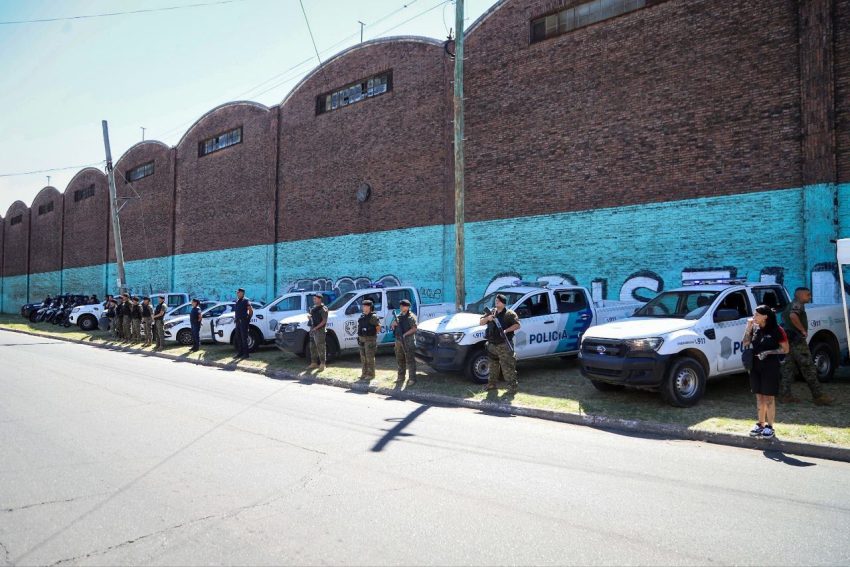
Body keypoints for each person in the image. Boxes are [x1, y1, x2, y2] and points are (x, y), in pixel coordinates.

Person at [779, 287, 833, 405]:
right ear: (800, 295)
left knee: (788, 368)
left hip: (789, 341)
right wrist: (802, 330)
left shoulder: (790, 305)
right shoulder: (797, 304)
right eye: (808, 295)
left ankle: (785, 395)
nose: (810, 297)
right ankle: (819, 396)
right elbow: (793, 316)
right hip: (797, 341)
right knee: (808, 368)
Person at [743, 305, 790, 439]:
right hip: (755, 366)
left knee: (769, 397)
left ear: (765, 316)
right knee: (759, 397)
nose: (754, 317)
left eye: (756, 315)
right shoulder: (755, 328)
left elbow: (785, 349)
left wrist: (768, 352)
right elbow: (745, 343)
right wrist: (748, 327)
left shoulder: (777, 330)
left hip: (770, 366)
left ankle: (770, 426)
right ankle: (760, 424)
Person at [480, 294, 521, 392]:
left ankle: (512, 387)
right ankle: (492, 384)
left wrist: (506, 331)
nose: (496, 302)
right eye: (496, 300)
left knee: (507, 366)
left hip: (504, 345)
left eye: (498, 301)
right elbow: (481, 322)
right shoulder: (491, 312)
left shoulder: (509, 314)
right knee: (492, 366)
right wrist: (488, 318)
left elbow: (517, 325)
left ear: (503, 303)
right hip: (492, 345)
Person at [391, 298, 418, 384]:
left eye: (403, 306)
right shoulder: (399, 316)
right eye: (401, 306)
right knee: (400, 359)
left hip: (408, 341)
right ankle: (401, 377)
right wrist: (393, 325)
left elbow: (414, 329)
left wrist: (405, 334)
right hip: (398, 340)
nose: (401, 307)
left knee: (410, 360)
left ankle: (412, 378)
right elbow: (392, 326)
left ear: (407, 307)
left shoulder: (411, 317)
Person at [357, 299, 381, 381]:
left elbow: (378, 327)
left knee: (369, 357)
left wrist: (372, 335)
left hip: (370, 340)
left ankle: (371, 374)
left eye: (365, 306)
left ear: (369, 307)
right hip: (362, 339)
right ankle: (364, 373)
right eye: (363, 306)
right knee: (363, 357)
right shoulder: (362, 316)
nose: (363, 307)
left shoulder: (373, 317)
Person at [307, 293, 328, 372]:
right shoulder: (314, 308)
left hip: (320, 330)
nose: (314, 300)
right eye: (313, 299)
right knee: (312, 346)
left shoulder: (323, 309)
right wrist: (310, 317)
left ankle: (322, 363)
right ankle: (314, 362)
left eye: (315, 299)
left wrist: (316, 328)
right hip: (313, 329)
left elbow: (324, 321)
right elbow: (312, 316)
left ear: (320, 299)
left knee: (321, 347)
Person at [233, 288, 253, 359]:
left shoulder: (246, 300)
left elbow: (250, 310)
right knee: (238, 337)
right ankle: (240, 353)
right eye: (237, 292)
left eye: (238, 292)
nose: (237, 294)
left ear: (242, 293)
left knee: (244, 338)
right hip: (238, 322)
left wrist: (247, 319)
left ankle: (246, 354)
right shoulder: (237, 301)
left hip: (243, 322)